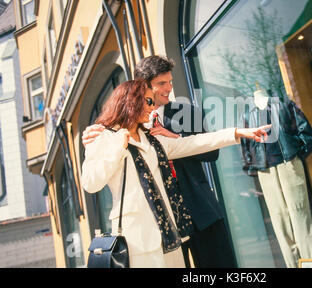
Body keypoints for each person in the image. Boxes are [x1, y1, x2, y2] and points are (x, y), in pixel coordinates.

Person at [81, 79, 270, 268]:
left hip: (169, 236)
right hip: (137, 242)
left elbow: (192, 143)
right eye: (148, 101)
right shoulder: (102, 137)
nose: (153, 106)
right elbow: (90, 183)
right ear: (131, 101)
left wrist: (237, 133)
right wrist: (116, 147)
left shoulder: (151, 139)